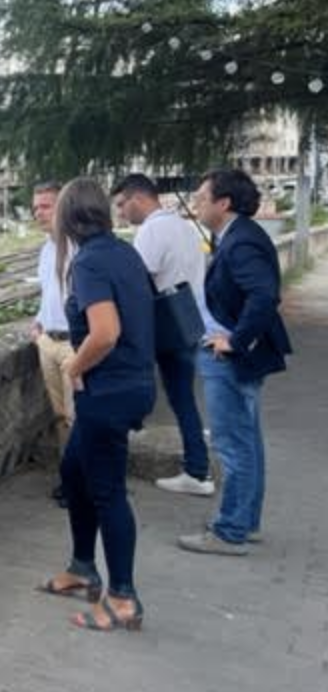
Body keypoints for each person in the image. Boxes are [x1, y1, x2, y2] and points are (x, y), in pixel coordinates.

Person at [37, 177, 156, 632]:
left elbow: (105, 332)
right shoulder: (122, 252)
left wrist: (74, 367)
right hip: (131, 383)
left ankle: (123, 597)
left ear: (69, 217)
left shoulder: (89, 263)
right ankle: (82, 566)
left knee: (107, 491)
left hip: (109, 391)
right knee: (74, 473)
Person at [178, 168, 292, 556]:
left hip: (229, 358)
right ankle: (246, 522)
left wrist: (235, 341)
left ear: (223, 203)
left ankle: (229, 531)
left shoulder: (241, 242)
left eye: (202, 197)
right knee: (247, 441)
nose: (196, 202)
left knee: (233, 443)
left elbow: (264, 296)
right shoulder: (237, 235)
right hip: (235, 355)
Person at [111, 173, 215, 496]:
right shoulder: (184, 226)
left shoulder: (152, 231)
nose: (120, 213)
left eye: (121, 204)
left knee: (165, 395)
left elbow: (136, 283)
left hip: (164, 327)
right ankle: (196, 466)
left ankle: (197, 471)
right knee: (183, 396)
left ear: (138, 199)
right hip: (189, 322)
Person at [29, 181, 73, 506]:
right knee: (60, 417)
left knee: (77, 418)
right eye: (36, 207)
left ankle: (80, 483)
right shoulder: (46, 248)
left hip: (74, 344)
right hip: (50, 341)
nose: (38, 212)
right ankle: (69, 478)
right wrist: (39, 321)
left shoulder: (79, 248)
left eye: (46, 206)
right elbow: (50, 293)